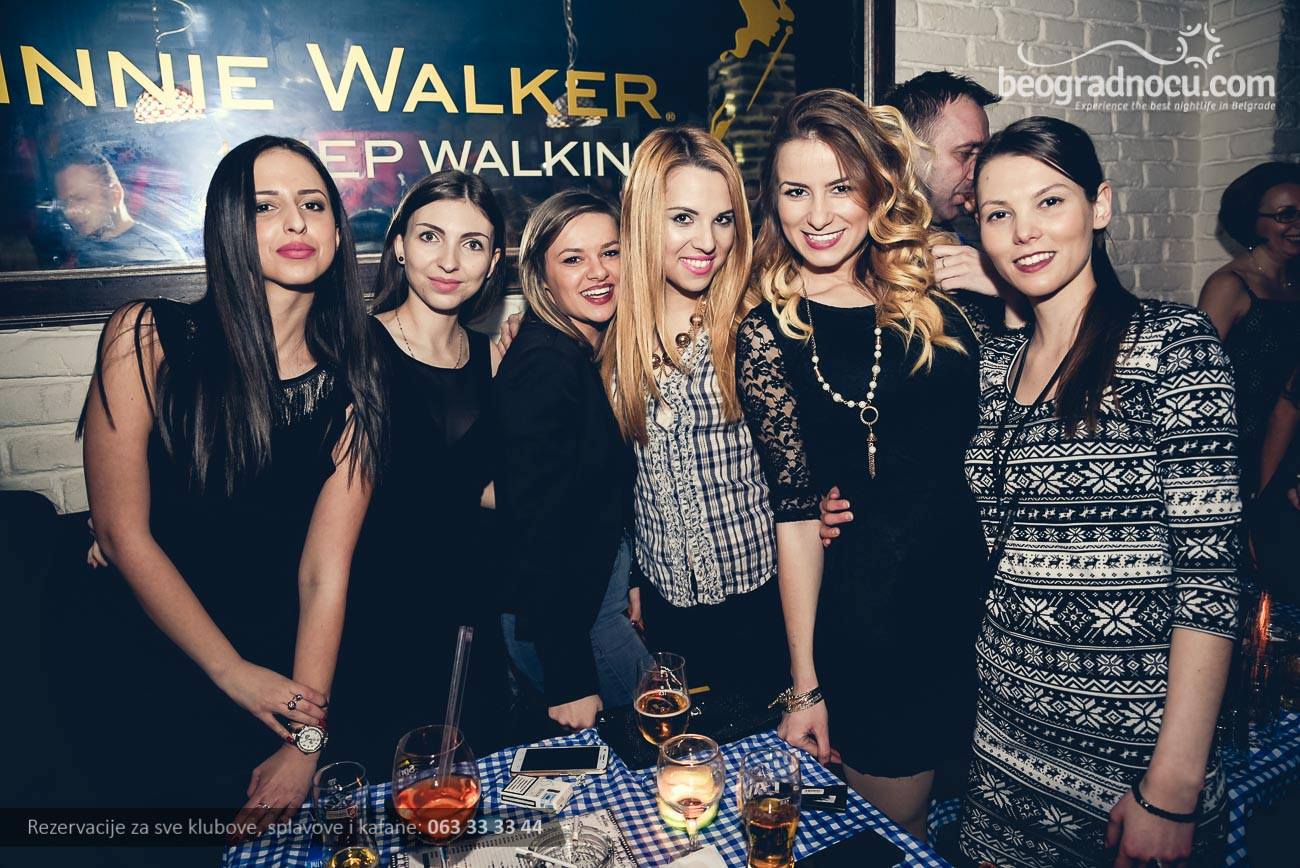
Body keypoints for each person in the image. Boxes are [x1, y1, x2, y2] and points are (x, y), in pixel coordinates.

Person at [76, 137, 384, 832]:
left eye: (313, 205)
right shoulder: (147, 336)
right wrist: (231, 672)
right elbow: (121, 533)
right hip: (150, 660)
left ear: (339, 232)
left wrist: (305, 739)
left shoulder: (357, 380)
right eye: (264, 206)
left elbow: (324, 572)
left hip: (285, 673)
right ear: (226, 226)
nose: (296, 221)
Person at [959, 116, 1238, 867]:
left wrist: (1171, 789)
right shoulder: (990, 367)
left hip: (1133, 759)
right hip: (1003, 742)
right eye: (998, 213)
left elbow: (1211, 580)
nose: (1024, 231)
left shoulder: (1172, 347)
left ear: (1100, 205)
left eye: (1049, 201)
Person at [736, 88, 987, 838]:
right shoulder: (768, 332)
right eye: (796, 191)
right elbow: (794, 516)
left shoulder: (938, 296)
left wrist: (1000, 288)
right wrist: (806, 686)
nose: (817, 214)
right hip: (878, 624)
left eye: (840, 188)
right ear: (774, 201)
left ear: (877, 192)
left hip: (985, 610)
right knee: (901, 839)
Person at [328, 171, 513, 773]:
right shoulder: (349, 350)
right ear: (400, 245)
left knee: (470, 803)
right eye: (431, 236)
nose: (450, 261)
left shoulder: (493, 361)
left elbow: (488, 490)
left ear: (493, 263)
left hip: (469, 627)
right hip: (373, 628)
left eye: (473, 244)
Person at [601, 127, 786, 701]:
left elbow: (809, 453)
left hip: (762, 601)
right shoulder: (611, 336)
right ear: (643, 220)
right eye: (683, 218)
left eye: (723, 220)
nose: (707, 241)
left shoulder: (756, 326)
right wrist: (633, 576)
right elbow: (615, 479)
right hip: (663, 607)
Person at [492, 190, 639, 732]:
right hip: (567, 626)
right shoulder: (546, 363)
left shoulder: (580, 350)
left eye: (611, 252)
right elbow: (537, 528)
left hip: (592, 606)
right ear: (540, 275)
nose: (598, 272)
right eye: (573, 259)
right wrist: (569, 675)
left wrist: (628, 579)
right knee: (662, 748)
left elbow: (592, 497)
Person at [879, 70, 1026, 337]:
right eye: (965, 154)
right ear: (907, 151)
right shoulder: (869, 248)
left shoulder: (973, 234)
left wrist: (1006, 285)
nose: (977, 172)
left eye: (982, 155)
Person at [1197, 161, 1300, 499]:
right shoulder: (1229, 285)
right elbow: (1197, 379)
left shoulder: (1295, 279)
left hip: (1289, 441)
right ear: (1254, 223)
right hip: (1240, 445)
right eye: (1286, 214)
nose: (1298, 224)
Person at [53, 150, 188, 267]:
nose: (69, 212)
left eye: (81, 199)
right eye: (65, 203)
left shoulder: (158, 253)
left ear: (115, 194)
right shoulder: (82, 248)